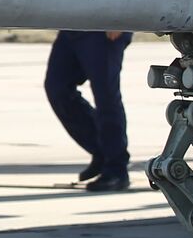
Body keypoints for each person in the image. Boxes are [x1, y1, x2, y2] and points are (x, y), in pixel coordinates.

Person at [44, 30, 133, 192]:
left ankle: (116, 169)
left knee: (106, 97)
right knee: (57, 88)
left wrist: (119, 20)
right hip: (72, 25)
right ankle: (102, 151)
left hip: (103, 26)